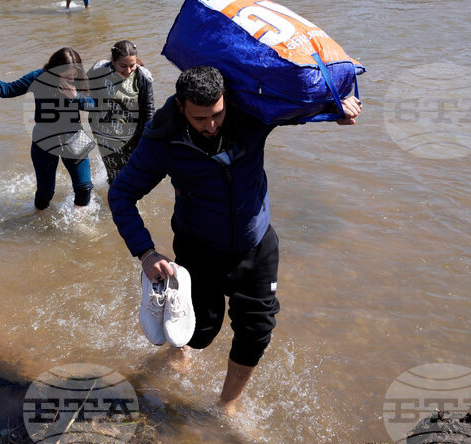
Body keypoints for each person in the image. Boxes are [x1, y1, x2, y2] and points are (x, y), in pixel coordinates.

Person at [108, 66, 361, 412]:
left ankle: (227, 404)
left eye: (217, 114)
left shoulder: (252, 115)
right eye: (200, 118)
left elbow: (297, 103)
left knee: (257, 330)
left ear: (226, 101)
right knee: (200, 333)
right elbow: (121, 194)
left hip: (256, 245)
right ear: (181, 107)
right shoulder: (163, 140)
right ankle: (177, 346)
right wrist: (146, 253)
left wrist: (336, 106)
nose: (211, 125)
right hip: (198, 248)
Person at [0, 47, 94, 210]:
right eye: (67, 75)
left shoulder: (79, 79)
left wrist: (76, 98)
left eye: (74, 74)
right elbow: (6, 90)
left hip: (75, 137)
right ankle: (37, 218)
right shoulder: (38, 77)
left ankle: (79, 224)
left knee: (84, 188)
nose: (72, 78)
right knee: (46, 192)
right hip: (45, 140)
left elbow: (95, 105)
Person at [86, 40, 155, 184]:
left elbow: (149, 109)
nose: (128, 71)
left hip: (134, 135)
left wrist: (148, 137)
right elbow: (84, 89)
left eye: (132, 65)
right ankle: (113, 203)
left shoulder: (143, 77)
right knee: (116, 178)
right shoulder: (99, 71)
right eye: (123, 66)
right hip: (106, 135)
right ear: (113, 61)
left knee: (134, 173)